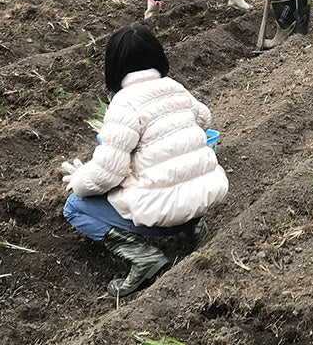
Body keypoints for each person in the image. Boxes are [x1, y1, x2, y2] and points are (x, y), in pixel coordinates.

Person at [61, 25, 229, 298]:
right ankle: (193, 227)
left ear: (114, 67)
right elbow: (204, 119)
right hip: (203, 197)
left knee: (76, 207)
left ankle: (144, 258)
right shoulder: (175, 87)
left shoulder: (124, 104)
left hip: (161, 213)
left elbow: (105, 175)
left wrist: (79, 179)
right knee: (176, 166)